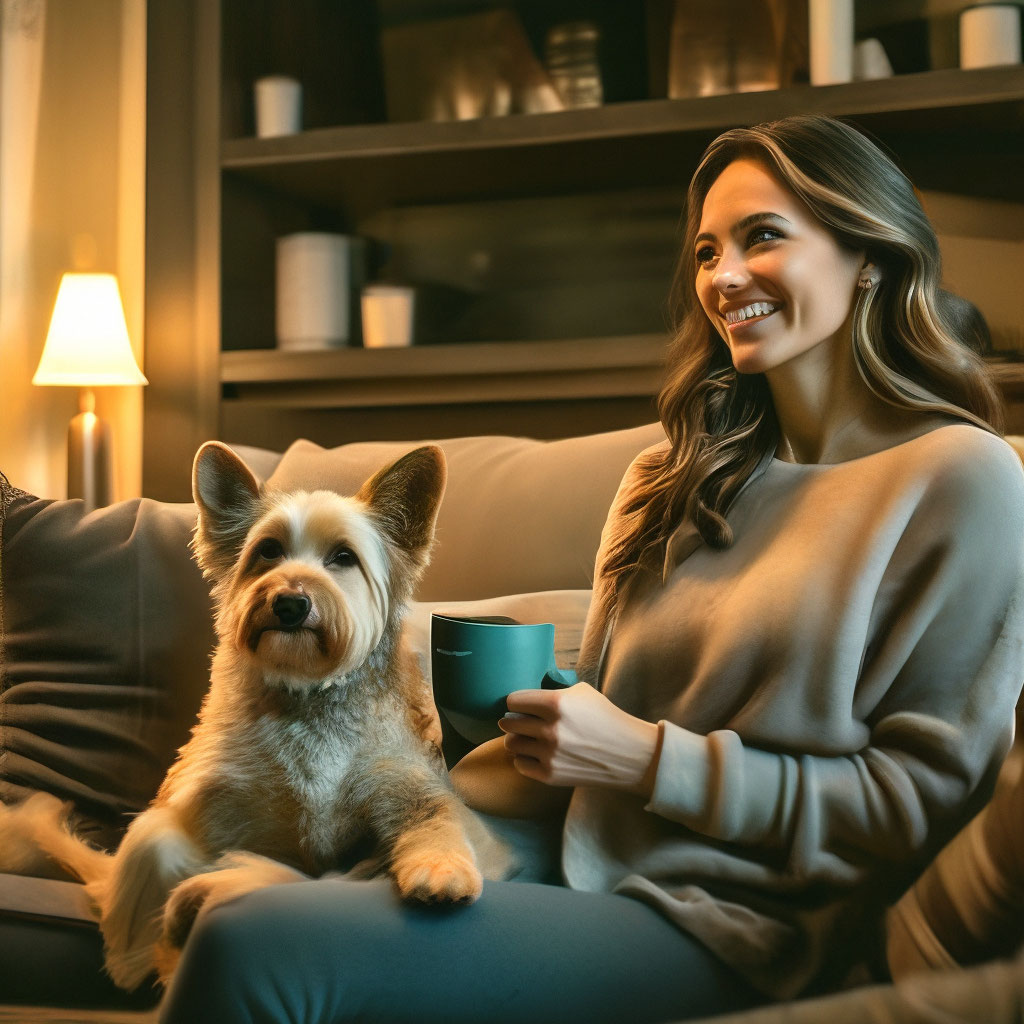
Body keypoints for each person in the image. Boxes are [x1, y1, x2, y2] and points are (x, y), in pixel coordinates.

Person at [159, 114, 1024, 1024]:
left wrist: (647, 759)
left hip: (745, 928)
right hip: (563, 871)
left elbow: (922, 804)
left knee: (250, 947)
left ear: (871, 258)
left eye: (762, 236)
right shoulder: (669, 476)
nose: (722, 278)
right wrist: (477, 739)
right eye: (704, 250)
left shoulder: (964, 479)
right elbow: (596, 719)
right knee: (233, 909)